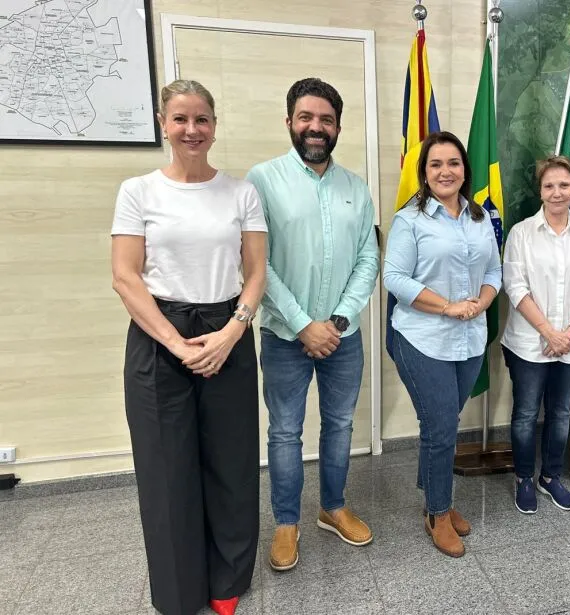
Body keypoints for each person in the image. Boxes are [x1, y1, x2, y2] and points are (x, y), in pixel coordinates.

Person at [111, 79, 267, 615]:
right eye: (180, 119)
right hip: (160, 337)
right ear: (164, 124)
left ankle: (228, 581)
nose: (192, 129)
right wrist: (178, 345)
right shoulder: (138, 191)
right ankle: (179, 591)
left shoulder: (241, 193)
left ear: (215, 126)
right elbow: (126, 277)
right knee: (167, 470)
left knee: (231, 464)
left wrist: (232, 331)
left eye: (202, 119)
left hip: (228, 331)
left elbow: (256, 272)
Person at [246, 78, 379, 570]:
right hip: (285, 336)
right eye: (306, 117)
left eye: (326, 119)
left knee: (340, 424)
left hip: (343, 336)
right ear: (289, 121)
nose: (315, 127)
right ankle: (286, 522)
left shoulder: (356, 188)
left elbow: (368, 258)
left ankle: (333, 507)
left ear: (338, 127)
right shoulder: (262, 180)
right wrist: (304, 325)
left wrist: (337, 321)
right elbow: (257, 263)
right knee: (284, 432)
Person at [383, 131, 502, 558]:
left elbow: (494, 270)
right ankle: (438, 512)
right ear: (424, 172)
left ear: (465, 170)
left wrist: (481, 303)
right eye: (436, 164)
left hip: (470, 339)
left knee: (443, 423)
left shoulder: (479, 217)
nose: (445, 171)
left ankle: (437, 497)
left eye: (453, 163)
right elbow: (394, 278)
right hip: (423, 337)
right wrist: (448, 307)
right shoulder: (410, 220)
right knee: (441, 428)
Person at [501, 156, 570, 514]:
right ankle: (524, 479)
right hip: (528, 344)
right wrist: (549, 332)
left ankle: (551, 477)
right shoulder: (521, 233)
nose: (557, 192)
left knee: (560, 413)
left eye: (564, 185)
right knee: (526, 413)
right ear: (540, 190)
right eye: (549, 186)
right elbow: (515, 287)